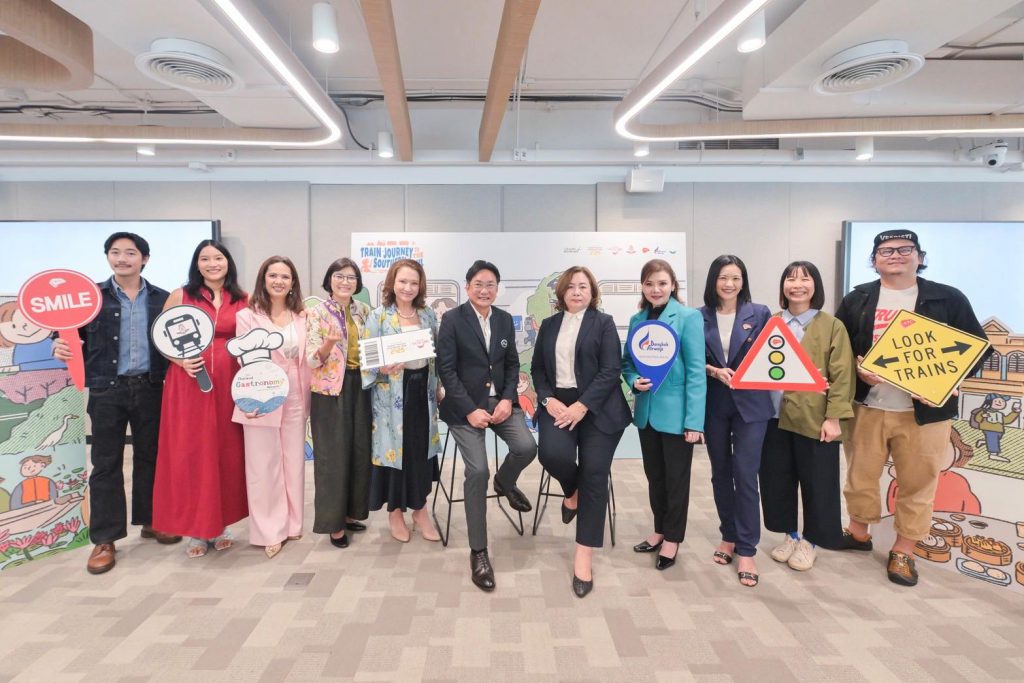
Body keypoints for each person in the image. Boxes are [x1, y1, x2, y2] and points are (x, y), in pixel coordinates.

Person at [837, 229, 989, 587]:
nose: (895, 255)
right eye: (886, 250)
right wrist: (857, 369)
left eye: (904, 249)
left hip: (925, 413)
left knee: (918, 483)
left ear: (920, 257)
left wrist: (949, 381)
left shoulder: (947, 298)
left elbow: (977, 350)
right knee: (859, 476)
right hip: (868, 405)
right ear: (874, 260)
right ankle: (858, 533)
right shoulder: (858, 298)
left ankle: (903, 550)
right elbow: (839, 349)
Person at [51, 231, 179, 575]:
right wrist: (58, 345)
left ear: (144, 259)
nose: (122, 258)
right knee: (105, 464)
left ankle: (152, 520)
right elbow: (64, 334)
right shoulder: (89, 297)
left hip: (152, 387)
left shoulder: (162, 298)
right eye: (116, 252)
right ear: (108, 256)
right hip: (106, 390)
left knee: (152, 457)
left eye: (131, 253)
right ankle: (105, 539)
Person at [437, 259, 537, 592]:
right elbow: (446, 371)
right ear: (467, 287)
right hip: (464, 406)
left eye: (490, 284)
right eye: (478, 284)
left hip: (500, 403)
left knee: (527, 447)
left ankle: (504, 482)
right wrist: (469, 410)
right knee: (477, 470)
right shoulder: (452, 320)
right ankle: (478, 551)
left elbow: (512, 365)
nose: (484, 290)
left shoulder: (504, 320)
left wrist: (508, 399)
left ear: (497, 288)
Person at [532, 266, 631, 598]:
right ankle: (571, 492)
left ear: (592, 293)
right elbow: (538, 369)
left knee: (594, 473)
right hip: (558, 405)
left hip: (599, 408)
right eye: (571, 286)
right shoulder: (549, 325)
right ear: (562, 292)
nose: (577, 291)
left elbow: (610, 370)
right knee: (551, 454)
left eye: (583, 287)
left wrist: (582, 406)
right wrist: (547, 400)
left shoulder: (603, 323)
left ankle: (583, 555)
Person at [152, 239, 249, 558]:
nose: (212, 264)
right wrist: (180, 361)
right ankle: (197, 528)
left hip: (229, 382)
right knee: (192, 451)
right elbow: (161, 338)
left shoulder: (243, 298)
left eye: (218, 258)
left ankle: (221, 524)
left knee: (226, 450)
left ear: (227, 262)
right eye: (205, 259)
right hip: (189, 384)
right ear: (197, 264)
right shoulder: (181, 295)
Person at [759, 261, 854, 574]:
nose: (797, 284)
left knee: (818, 482)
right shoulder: (772, 322)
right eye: (790, 278)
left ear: (816, 286)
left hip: (815, 418)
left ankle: (811, 541)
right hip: (773, 417)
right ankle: (791, 535)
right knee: (776, 479)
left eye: (805, 279)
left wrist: (834, 418)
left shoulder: (832, 326)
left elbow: (843, 375)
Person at [622, 259, 706, 571]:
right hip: (647, 414)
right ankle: (659, 530)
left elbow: (696, 372)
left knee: (676, 481)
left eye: (661, 283)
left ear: (673, 285)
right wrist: (634, 381)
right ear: (642, 287)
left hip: (678, 416)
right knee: (655, 477)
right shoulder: (637, 319)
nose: (655, 289)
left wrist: (694, 422)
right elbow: (628, 363)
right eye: (649, 284)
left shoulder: (688, 317)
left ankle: (672, 539)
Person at [699, 255, 773, 587]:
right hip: (714, 404)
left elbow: (773, 356)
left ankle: (746, 548)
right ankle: (728, 535)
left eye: (736, 278)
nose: (729, 284)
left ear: (743, 282)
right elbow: (692, 360)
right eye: (723, 278)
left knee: (745, 474)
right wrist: (713, 370)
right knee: (720, 473)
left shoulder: (760, 313)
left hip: (752, 406)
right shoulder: (698, 317)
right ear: (713, 281)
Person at [232, 256, 311, 559]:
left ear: (293, 283)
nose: (279, 281)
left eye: (285, 276)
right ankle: (269, 530)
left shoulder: (302, 316)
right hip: (261, 394)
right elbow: (243, 362)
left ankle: (293, 524)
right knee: (263, 464)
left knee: (293, 461)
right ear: (263, 279)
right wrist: (248, 400)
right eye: (273, 275)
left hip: (296, 394)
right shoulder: (247, 316)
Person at [362, 259, 443, 544]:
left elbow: (436, 355)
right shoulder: (379, 316)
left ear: (420, 286)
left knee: (420, 450)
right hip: (391, 394)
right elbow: (368, 361)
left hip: (423, 391)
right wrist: (381, 368)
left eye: (413, 282)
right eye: (402, 281)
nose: (408, 287)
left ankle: (420, 510)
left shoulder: (427, 315)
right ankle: (395, 512)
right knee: (396, 452)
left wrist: (439, 387)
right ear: (392, 283)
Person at [306, 258, 373, 549]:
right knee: (332, 458)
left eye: (351, 277)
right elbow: (311, 361)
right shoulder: (317, 312)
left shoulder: (364, 311)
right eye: (339, 276)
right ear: (329, 280)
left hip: (362, 386)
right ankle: (333, 525)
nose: (345, 282)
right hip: (329, 392)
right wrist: (329, 344)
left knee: (359, 452)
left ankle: (349, 514)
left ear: (357, 283)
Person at [969, 394, 1020, 463]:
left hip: (999, 430)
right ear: (990, 402)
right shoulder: (984, 411)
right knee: (993, 440)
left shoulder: (1000, 414)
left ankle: (983, 441)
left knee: (995, 440)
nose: (1000, 403)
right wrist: (982, 416)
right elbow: (977, 419)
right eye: (996, 401)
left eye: (1002, 401)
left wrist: (1015, 412)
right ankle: (993, 454)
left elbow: (1007, 420)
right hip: (989, 429)